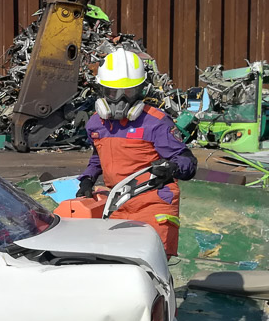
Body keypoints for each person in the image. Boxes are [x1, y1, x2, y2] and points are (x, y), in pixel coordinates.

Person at [76, 48, 197, 256]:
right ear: (103, 91)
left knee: (149, 264)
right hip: (115, 203)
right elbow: (98, 156)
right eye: (113, 93)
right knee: (115, 262)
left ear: (141, 90)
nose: (120, 101)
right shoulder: (96, 123)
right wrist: (87, 179)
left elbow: (188, 161)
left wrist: (172, 168)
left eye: (129, 93)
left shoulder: (156, 122)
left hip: (152, 203)